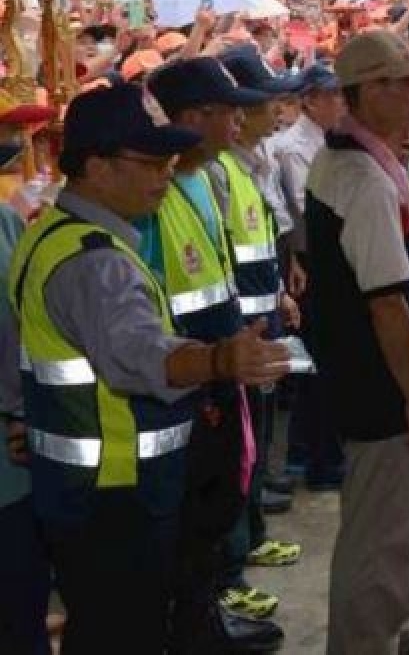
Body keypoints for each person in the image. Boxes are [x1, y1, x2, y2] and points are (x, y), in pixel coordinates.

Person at [8, 83, 287, 654]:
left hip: (83, 493)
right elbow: (137, 355)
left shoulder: (50, 236)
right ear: (95, 166)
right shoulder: (96, 262)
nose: (167, 173)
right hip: (117, 496)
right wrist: (218, 358)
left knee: (103, 626)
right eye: (152, 161)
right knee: (123, 631)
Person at [305, 31, 409, 655]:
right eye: (408, 87)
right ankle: (366, 642)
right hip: (379, 386)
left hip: (364, 375)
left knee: (388, 524)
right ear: (370, 91)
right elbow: (388, 303)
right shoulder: (363, 179)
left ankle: (400, 629)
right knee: (376, 530)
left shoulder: (352, 158)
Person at [144, 58, 287, 653]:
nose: (240, 120)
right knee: (188, 517)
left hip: (221, 370)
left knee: (218, 498)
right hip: (182, 384)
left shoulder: (202, 177)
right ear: (193, 117)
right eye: (230, 110)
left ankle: (207, 618)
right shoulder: (154, 190)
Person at [211, 46, 306, 617]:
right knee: (236, 449)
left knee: (256, 437)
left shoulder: (253, 163)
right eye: (267, 101)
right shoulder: (220, 172)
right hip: (233, 337)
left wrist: (277, 293)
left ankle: (251, 535)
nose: (278, 109)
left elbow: (258, 244)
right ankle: (230, 566)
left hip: (259, 321)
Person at [0, 92, 58, 655]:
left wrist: (23, 409)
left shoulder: (7, 219)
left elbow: (23, 324)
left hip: (11, 460)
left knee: (21, 613)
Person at [274, 66, 346, 492]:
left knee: (324, 362)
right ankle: (317, 457)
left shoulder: (326, 140)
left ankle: (312, 451)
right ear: (310, 100)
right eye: (332, 96)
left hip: (323, 258)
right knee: (317, 362)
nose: (340, 103)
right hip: (310, 261)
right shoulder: (294, 147)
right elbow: (309, 208)